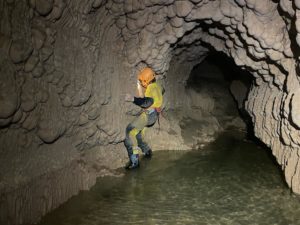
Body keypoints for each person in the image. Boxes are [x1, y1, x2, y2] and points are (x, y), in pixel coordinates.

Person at [124, 67, 163, 170]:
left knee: (130, 132)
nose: (141, 83)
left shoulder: (151, 89)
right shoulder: (157, 86)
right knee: (139, 134)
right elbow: (162, 91)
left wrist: (132, 99)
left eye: (142, 81)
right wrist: (139, 87)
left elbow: (146, 102)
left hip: (148, 116)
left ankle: (134, 161)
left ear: (147, 81)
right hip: (154, 115)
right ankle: (147, 151)